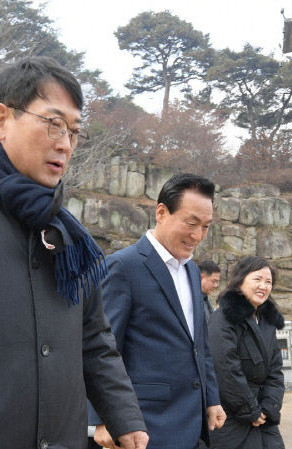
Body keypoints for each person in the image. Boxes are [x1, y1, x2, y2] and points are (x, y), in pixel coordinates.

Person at [0, 56, 148, 449]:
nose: (65, 143)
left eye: (73, 131)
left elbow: (93, 335)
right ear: (1, 120)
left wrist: (123, 415)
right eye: (53, 123)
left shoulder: (68, 233)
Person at [89, 174, 226, 449]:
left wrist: (211, 398)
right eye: (190, 223)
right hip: (142, 424)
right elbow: (101, 347)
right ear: (161, 212)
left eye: (206, 227)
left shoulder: (192, 270)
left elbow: (199, 344)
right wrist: (101, 418)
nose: (197, 236)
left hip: (191, 420)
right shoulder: (123, 266)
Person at [208, 256, 286, 449]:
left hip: (263, 417)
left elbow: (275, 371)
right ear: (240, 280)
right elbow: (225, 369)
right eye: (257, 279)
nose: (263, 286)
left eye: (268, 282)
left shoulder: (267, 322)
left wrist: (269, 406)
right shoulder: (223, 319)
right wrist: (250, 409)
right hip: (230, 416)